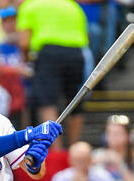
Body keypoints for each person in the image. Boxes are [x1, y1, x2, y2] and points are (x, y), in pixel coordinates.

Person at [16, 0, 88, 146]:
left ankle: (56, 150)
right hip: (76, 53)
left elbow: (24, 42)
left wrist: (27, 59)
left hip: (48, 53)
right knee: (74, 101)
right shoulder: (73, 6)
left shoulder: (30, 6)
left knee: (47, 102)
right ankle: (74, 147)